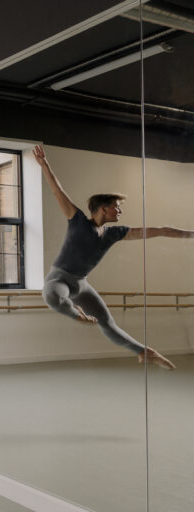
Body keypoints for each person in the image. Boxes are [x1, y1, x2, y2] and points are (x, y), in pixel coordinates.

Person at [35, 144, 192, 370]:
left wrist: (191, 234)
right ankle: (75, 313)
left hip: (81, 284)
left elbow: (159, 230)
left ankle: (146, 352)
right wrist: (45, 164)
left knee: (107, 324)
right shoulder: (78, 221)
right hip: (59, 279)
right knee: (51, 295)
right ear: (102, 209)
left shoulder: (113, 233)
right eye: (116, 207)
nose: (120, 211)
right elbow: (57, 191)